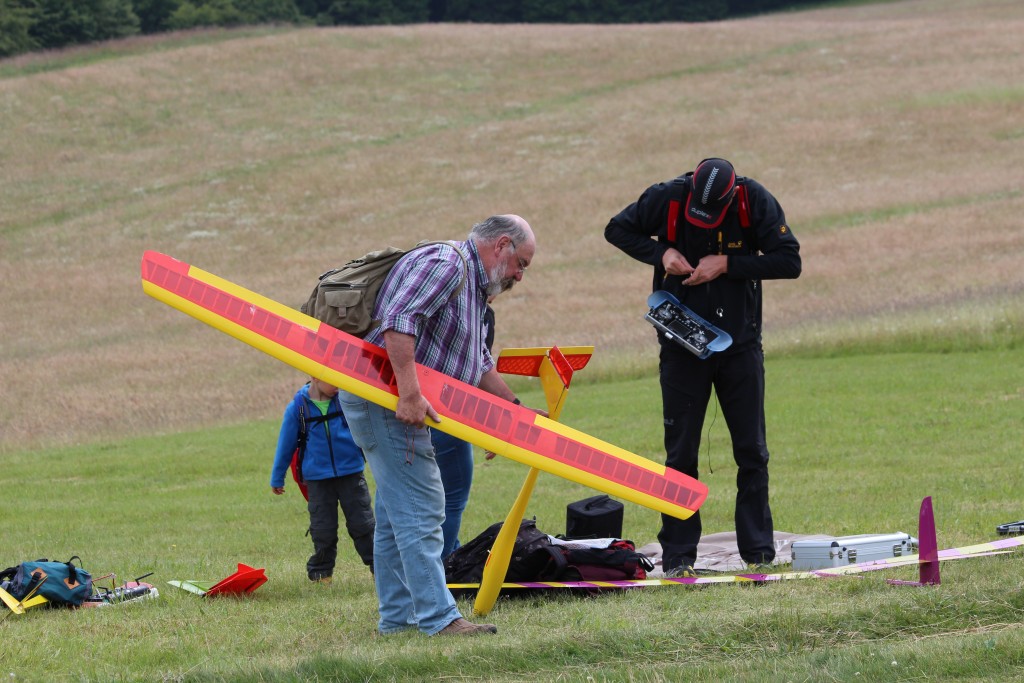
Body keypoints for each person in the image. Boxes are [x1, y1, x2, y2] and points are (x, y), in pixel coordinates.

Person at [337, 214, 536, 637]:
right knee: (423, 507)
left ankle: (398, 619)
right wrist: (410, 394)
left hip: (389, 399)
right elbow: (399, 320)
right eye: (521, 263)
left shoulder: (473, 289)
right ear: (502, 245)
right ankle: (439, 618)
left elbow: (477, 361)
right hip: (386, 399)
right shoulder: (446, 264)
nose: (520, 275)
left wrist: (515, 410)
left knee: (396, 514)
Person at [604, 158, 801, 577]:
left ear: (730, 199)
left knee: (752, 452)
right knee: (680, 455)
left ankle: (758, 556)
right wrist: (662, 253)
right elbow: (616, 229)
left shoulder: (753, 200)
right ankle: (678, 559)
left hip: (740, 347)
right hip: (681, 347)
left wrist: (727, 264)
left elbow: (790, 261)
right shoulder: (667, 197)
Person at [270, 377, 375, 583]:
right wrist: (277, 477)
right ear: (316, 376)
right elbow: (286, 445)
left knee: (363, 524)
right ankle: (321, 574)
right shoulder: (298, 409)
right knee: (322, 528)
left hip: (351, 474)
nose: (338, 384)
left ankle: (379, 568)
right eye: (332, 379)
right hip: (318, 479)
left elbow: (367, 428)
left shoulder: (345, 400)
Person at [434, 301, 496, 559]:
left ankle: (450, 551)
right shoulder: (477, 312)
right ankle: (443, 564)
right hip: (446, 413)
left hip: (409, 410)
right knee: (452, 499)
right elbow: (475, 374)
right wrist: (491, 427)